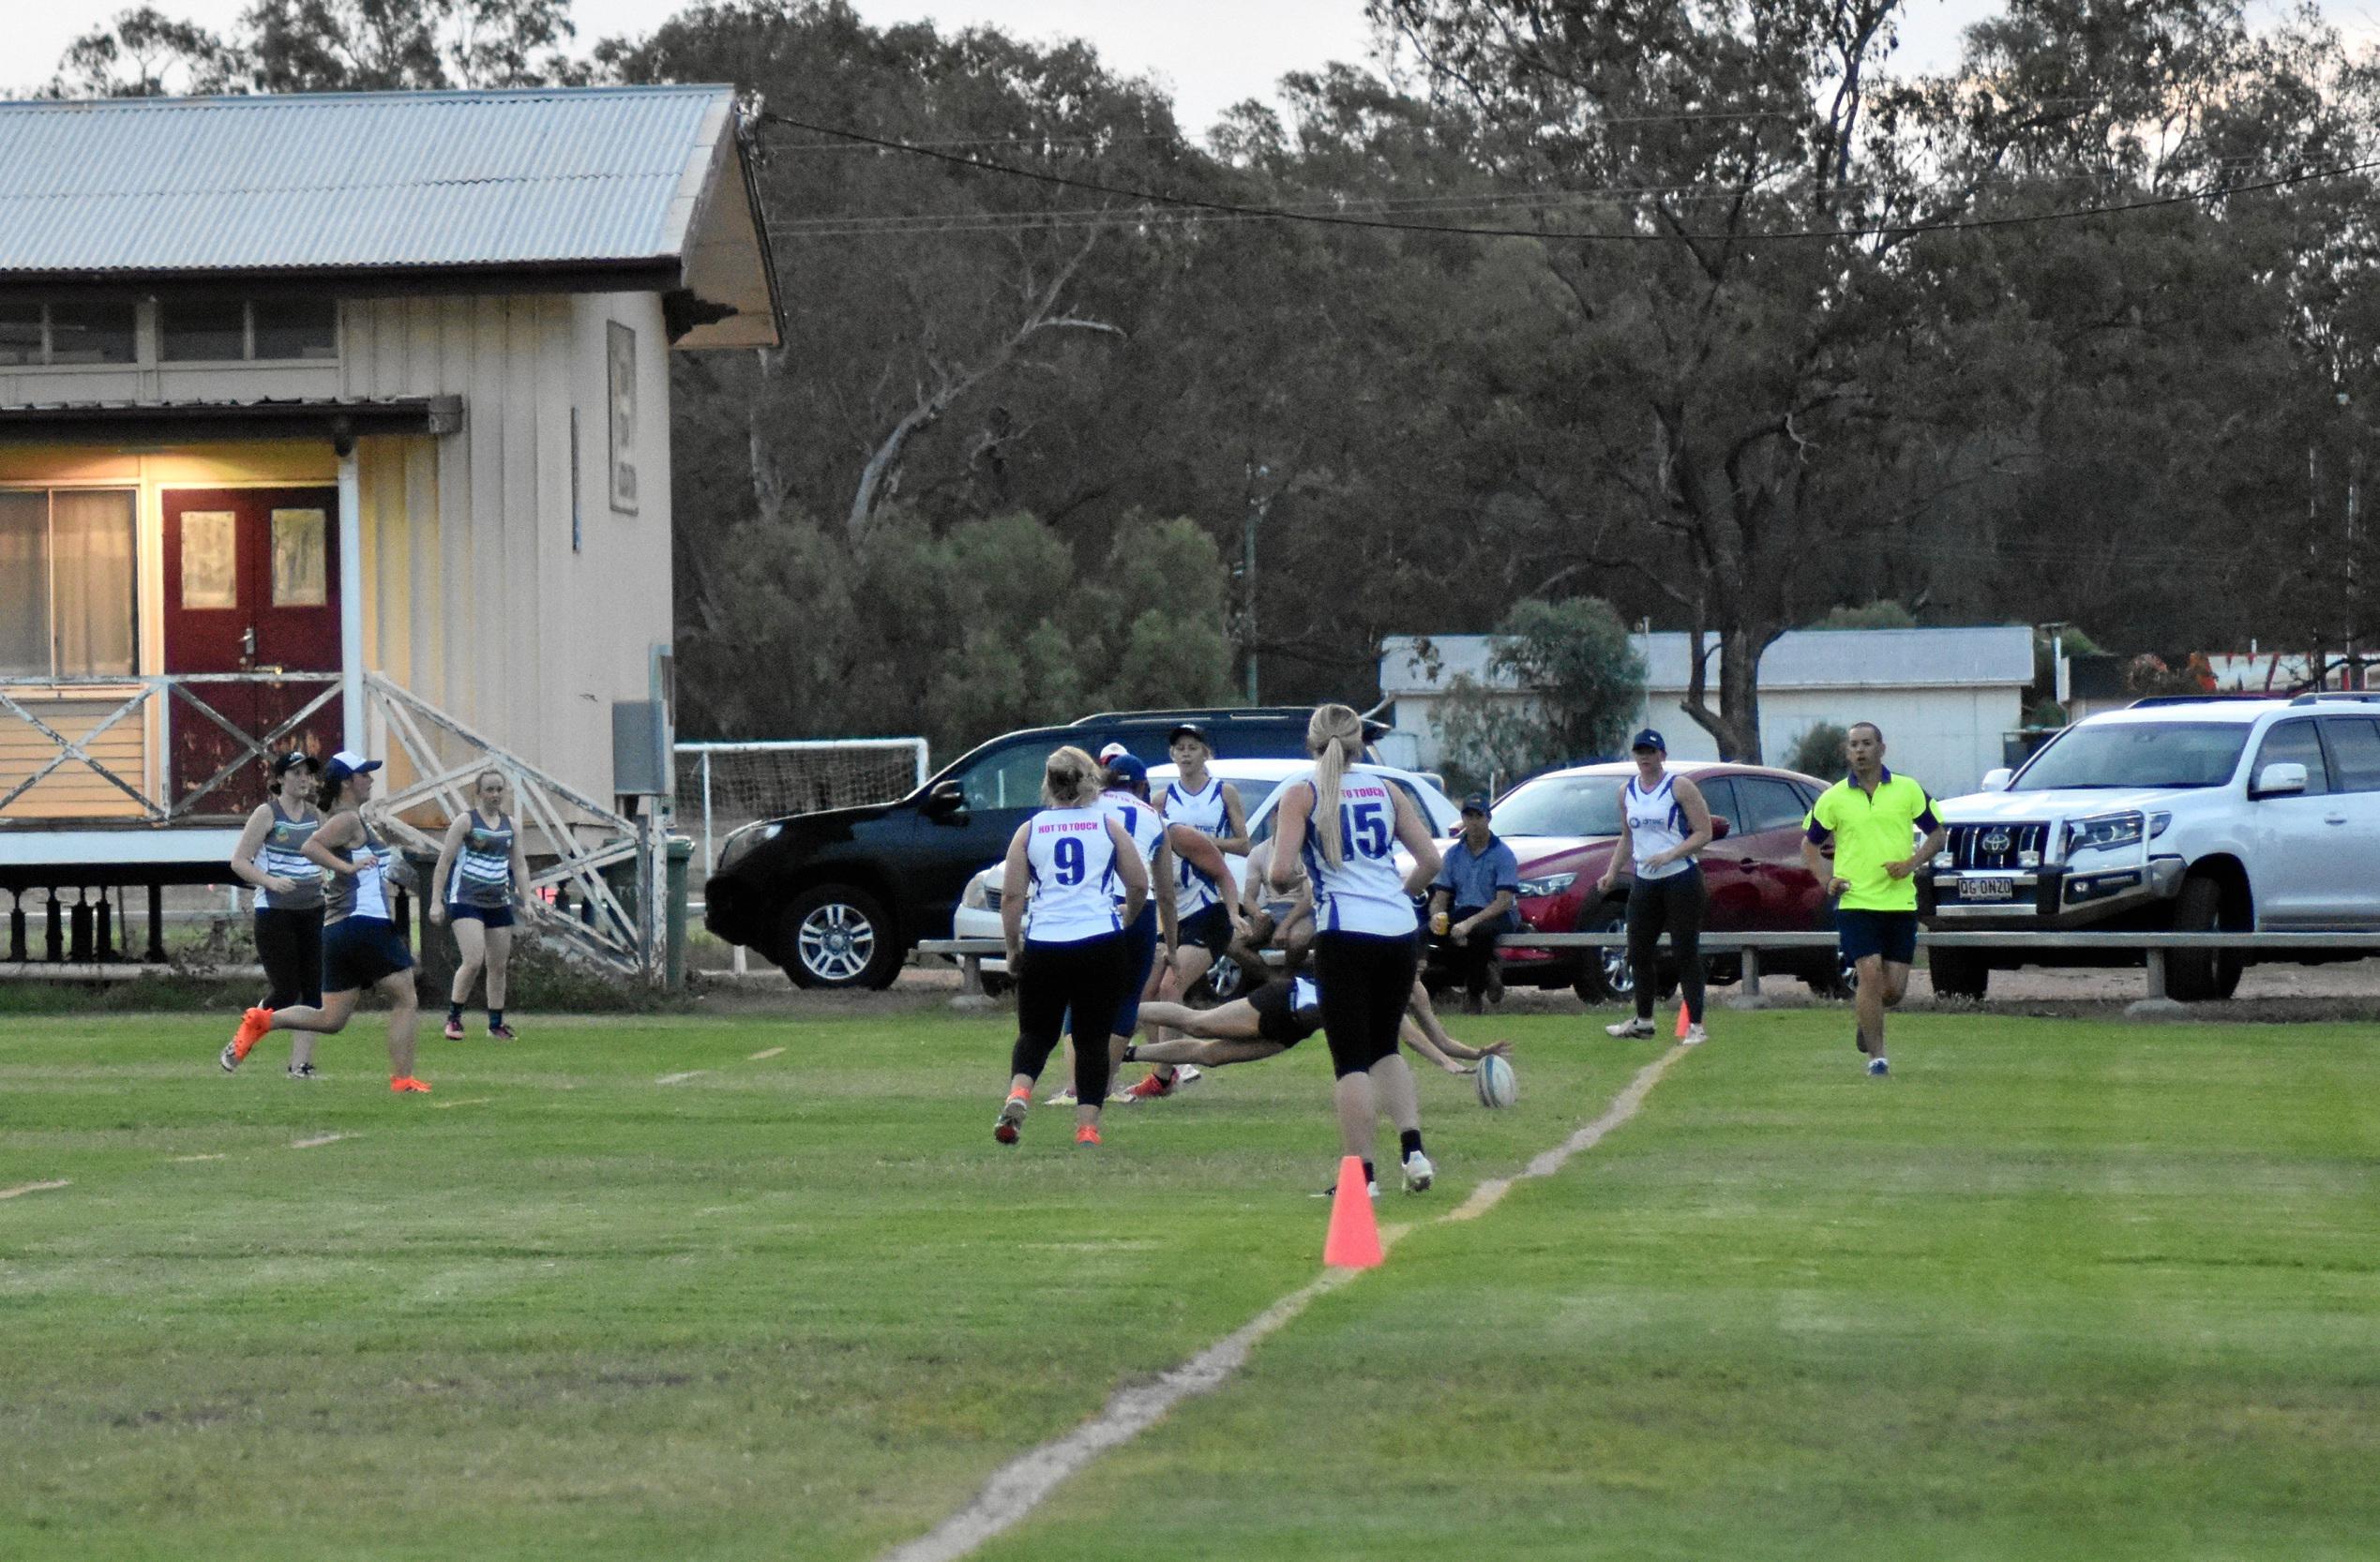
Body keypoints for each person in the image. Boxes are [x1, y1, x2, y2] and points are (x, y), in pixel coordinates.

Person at [1269, 703, 1444, 1197]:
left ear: (1312, 743)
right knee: (1386, 1045)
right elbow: (1430, 860)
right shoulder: (1388, 789)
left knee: (1350, 1060)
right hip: (1397, 929)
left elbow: (1280, 873)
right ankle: (1413, 1152)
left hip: (1346, 932)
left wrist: (1308, 878)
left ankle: (1361, 1177)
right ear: (1360, 741)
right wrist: (1398, 895)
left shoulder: (1302, 794)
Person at [225, 751, 429, 1093]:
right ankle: (403, 1080)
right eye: (364, 774)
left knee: (330, 1019)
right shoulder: (346, 819)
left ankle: (263, 1020)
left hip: (337, 928)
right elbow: (310, 847)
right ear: (347, 782)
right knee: (406, 997)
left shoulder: (348, 819)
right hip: (364, 923)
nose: (371, 780)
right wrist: (347, 869)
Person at [993, 746, 1150, 1148]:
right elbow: (1137, 883)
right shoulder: (1107, 826)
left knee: (1035, 1033)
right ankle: (1087, 1129)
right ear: (1089, 780)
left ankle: (1018, 1095)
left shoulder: (1030, 829)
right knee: (1092, 1038)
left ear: (1048, 783)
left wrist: (1013, 948)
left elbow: (1012, 896)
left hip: (1047, 942)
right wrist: (1128, 917)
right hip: (1100, 940)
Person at [1800, 721, 1947, 1076]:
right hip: (1856, 901)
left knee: (1893, 990)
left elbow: (1938, 834)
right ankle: (1877, 1059)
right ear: (1846, 751)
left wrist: (1911, 863)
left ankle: (1868, 1018)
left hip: (1899, 903)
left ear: (1882, 748)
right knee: (1868, 972)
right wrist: (1827, 879)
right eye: (1854, 745)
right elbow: (1809, 844)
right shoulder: (1834, 797)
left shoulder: (1908, 790)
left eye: (1867, 743)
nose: (1860, 750)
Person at [1122, 723, 1251, 1100]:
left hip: (1209, 905)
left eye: (1193, 746)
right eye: (1179, 747)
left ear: (1205, 752)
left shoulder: (1223, 792)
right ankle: (1171, 1065)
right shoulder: (1162, 800)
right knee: (1147, 992)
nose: (1185, 753)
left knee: (1169, 987)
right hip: (1173, 908)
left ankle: (1166, 1073)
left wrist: (1200, 842)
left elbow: (1243, 845)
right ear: (1171, 755)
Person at [1130, 974, 1510, 1078]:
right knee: (1199, 1025)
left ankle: (1128, 1053)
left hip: (1295, 1029)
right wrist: (1446, 1065)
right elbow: (1408, 1038)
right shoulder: (1382, 985)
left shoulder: (1413, 993)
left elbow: (1437, 1037)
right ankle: (1120, 1012)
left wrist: (1476, 1054)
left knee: (1210, 1058)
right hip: (1287, 999)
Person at [1595, 729, 1714, 1044]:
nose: (1645, 758)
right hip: (1645, 881)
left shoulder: (1679, 787)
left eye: (1650, 751)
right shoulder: (1626, 792)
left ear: (1662, 755)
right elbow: (1627, 836)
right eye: (1639, 752)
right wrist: (1611, 872)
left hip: (1680, 879)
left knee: (1684, 951)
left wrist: (1671, 854)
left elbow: (1704, 832)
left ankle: (1696, 1025)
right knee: (1637, 951)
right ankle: (1644, 1020)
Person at [221, 750, 327, 1079]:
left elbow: (328, 856)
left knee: (314, 992)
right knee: (285, 989)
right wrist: (271, 882)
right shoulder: (267, 814)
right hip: (275, 911)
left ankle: (300, 1066)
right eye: (295, 773)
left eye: (307, 773)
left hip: (313, 909)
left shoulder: (317, 816)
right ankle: (240, 1043)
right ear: (280, 778)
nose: (303, 779)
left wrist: (329, 877)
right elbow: (239, 861)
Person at [429, 769, 535, 1041]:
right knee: (473, 960)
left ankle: (495, 1024)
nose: (495, 795)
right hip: (466, 900)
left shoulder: (511, 826)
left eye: (500, 789)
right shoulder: (465, 822)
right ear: (478, 793)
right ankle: (453, 1020)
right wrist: (435, 902)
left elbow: (519, 866)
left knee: (498, 965)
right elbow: (444, 863)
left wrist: (527, 900)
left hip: (499, 901)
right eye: (490, 789)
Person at [1428, 791, 1521, 1014]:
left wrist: (1469, 923)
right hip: (1466, 909)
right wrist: (1436, 916)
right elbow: (1440, 897)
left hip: (1499, 913)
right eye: (1469, 816)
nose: (1474, 822)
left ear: (1488, 818)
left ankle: (1474, 994)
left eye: (1478, 816)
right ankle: (1486, 970)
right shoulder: (1453, 854)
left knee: (1480, 934)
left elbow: (1504, 901)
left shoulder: (1502, 854)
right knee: (1432, 935)